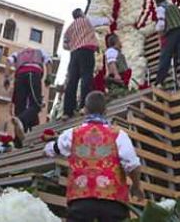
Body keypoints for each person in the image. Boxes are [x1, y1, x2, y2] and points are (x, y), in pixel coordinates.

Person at [44, 91, 143, 222]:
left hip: (80, 201)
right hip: (113, 202)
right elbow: (132, 165)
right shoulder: (119, 134)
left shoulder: (72, 134)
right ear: (106, 111)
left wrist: (46, 148)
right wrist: (136, 186)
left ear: (85, 110)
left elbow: (53, 149)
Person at [62, 9, 110, 118]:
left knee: (72, 81)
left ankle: (67, 111)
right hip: (87, 51)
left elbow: (65, 46)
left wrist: (74, 44)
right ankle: (84, 106)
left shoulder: (69, 28)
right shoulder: (87, 21)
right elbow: (104, 21)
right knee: (86, 77)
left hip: (74, 54)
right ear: (82, 14)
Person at [5, 47, 51, 147]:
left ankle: (18, 142)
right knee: (36, 105)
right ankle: (23, 123)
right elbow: (48, 61)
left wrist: (6, 77)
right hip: (33, 73)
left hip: (19, 76)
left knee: (20, 107)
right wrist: (49, 76)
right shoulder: (40, 51)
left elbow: (8, 61)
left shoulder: (18, 53)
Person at [154, 0, 180, 86]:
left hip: (171, 33)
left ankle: (159, 80)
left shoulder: (160, 8)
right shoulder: (173, 6)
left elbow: (161, 23)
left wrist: (160, 32)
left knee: (165, 56)